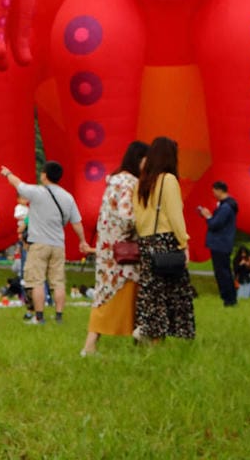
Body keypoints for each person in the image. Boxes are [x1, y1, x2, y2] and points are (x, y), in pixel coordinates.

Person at [1, 161, 92, 325]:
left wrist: (7, 173)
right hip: (58, 245)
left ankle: (40, 317)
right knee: (58, 282)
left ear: (44, 175)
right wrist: (82, 241)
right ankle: (58, 316)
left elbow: (18, 184)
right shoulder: (67, 197)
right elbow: (77, 222)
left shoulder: (37, 192)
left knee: (36, 281)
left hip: (39, 244)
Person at [82, 140, 147, 357]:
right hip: (123, 251)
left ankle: (90, 345)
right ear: (140, 159)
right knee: (120, 295)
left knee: (104, 294)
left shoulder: (114, 181)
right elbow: (127, 216)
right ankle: (91, 345)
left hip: (108, 248)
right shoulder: (130, 183)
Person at [132, 136, 195, 342]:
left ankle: (147, 330)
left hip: (146, 241)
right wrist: (183, 242)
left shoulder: (142, 182)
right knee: (174, 293)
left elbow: (138, 217)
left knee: (151, 292)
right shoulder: (168, 180)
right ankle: (164, 334)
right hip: (166, 240)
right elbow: (176, 216)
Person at [197, 181, 239, 307]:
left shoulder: (226, 207)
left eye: (214, 191)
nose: (213, 193)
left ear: (220, 190)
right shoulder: (227, 206)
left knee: (222, 272)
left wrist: (207, 216)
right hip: (223, 243)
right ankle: (230, 298)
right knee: (225, 271)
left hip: (220, 244)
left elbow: (215, 224)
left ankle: (229, 299)